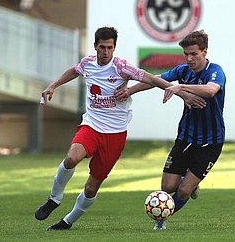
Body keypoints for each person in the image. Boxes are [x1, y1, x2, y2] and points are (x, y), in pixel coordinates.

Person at [34, 26, 205, 231]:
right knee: (72, 158)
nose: (106, 52)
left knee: (91, 188)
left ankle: (67, 222)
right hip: (92, 125)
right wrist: (53, 85)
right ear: (95, 46)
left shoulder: (121, 67)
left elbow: (150, 78)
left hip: (115, 134)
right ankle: (54, 199)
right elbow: (74, 71)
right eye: (102, 47)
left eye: (110, 47)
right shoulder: (87, 63)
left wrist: (179, 93)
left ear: (114, 47)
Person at [115, 30, 226, 230]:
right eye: (186, 54)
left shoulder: (215, 71)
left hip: (211, 142)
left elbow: (210, 90)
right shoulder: (182, 70)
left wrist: (179, 88)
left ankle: (161, 219)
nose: (189, 58)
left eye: (194, 54)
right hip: (185, 137)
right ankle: (190, 180)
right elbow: (154, 80)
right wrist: (130, 90)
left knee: (183, 191)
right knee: (167, 187)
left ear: (204, 52)